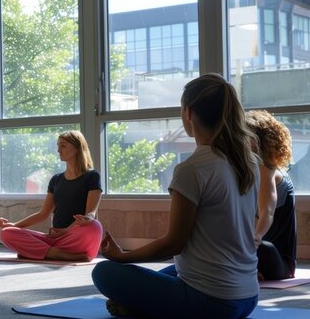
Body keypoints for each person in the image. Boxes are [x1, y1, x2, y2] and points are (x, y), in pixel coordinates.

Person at [91, 73, 260, 318]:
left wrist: (122, 256)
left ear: (188, 112)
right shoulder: (249, 162)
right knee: (172, 271)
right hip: (248, 297)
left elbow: (174, 244)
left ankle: (140, 305)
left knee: (104, 272)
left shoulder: (192, 168)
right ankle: (141, 304)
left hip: (212, 303)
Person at [0, 130, 103, 262]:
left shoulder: (92, 176)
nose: (58, 150)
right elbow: (43, 214)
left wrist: (69, 230)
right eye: (58, 146)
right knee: (6, 233)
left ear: (77, 148)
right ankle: (57, 254)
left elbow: (90, 214)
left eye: (63, 146)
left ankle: (39, 252)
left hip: (75, 237)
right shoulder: (56, 179)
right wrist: (14, 225)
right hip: (54, 239)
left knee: (95, 225)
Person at [246, 110, 297, 280]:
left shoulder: (267, 170)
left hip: (279, 262)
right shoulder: (255, 169)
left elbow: (267, 212)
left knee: (256, 246)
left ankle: (248, 270)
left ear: (257, 141)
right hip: (264, 256)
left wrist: (255, 240)